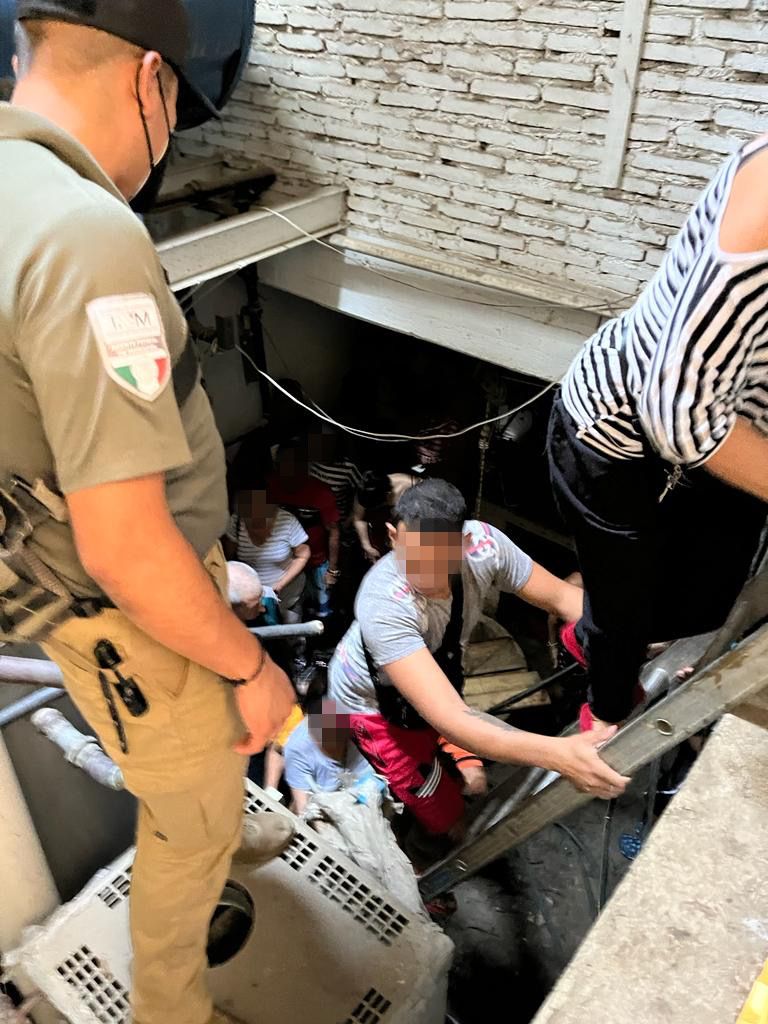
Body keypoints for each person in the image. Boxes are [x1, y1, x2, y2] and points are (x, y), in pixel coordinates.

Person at [0, 7, 296, 1024]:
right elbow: (128, 548)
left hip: (58, 583)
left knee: (196, 767)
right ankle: (172, 1005)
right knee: (188, 829)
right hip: (131, 608)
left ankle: (219, 806)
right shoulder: (84, 235)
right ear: (151, 82)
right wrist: (252, 670)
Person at [549, 134, 768, 729]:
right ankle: (605, 710)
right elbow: (679, 411)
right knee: (625, 608)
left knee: (705, 599)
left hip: (723, 430)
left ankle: (593, 638)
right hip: (616, 430)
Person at [328, 479, 629, 838]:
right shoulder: (384, 605)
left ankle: (454, 763)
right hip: (373, 705)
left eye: (438, 560)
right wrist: (558, 755)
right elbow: (453, 717)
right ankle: (442, 842)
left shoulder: (486, 548)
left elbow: (566, 600)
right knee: (438, 806)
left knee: (471, 772)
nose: (424, 575)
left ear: (464, 544)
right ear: (393, 537)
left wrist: (632, 638)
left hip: (438, 668)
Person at [268, 440, 341, 620]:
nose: (289, 469)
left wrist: (332, 570)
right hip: (283, 562)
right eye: (284, 464)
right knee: (288, 607)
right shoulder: (270, 487)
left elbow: (334, 531)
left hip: (316, 561)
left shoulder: (321, 493)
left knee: (321, 607)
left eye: (294, 464)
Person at [224, 487, 310, 625]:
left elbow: (303, 555)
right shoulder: (236, 521)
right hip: (252, 598)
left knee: (292, 629)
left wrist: (280, 585)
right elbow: (229, 557)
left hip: (288, 592)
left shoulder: (287, 521)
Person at [283, 697, 371, 814]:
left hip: (353, 792)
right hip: (319, 798)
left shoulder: (357, 733)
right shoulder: (298, 750)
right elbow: (305, 808)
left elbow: (369, 778)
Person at [354, 469, 423, 563]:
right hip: (380, 535)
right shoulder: (367, 489)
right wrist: (366, 546)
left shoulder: (412, 486)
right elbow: (359, 519)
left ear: (388, 494)